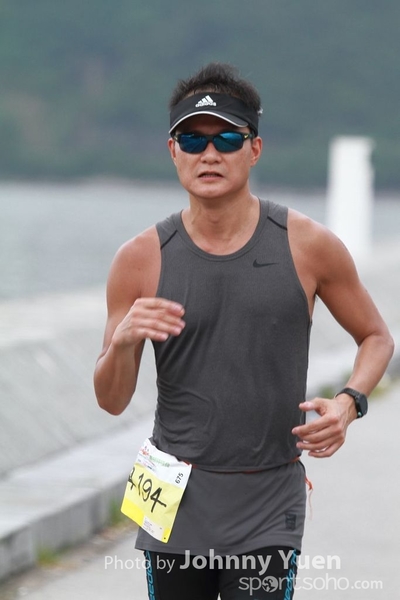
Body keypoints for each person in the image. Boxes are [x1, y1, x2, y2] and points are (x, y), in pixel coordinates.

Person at [93, 63, 394, 599]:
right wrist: (122, 341)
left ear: (254, 149)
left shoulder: (308, 245)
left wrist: (349, 404)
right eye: (193, 139)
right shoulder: (139, 259)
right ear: (173, 151)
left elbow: (377, 337)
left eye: (227, 139)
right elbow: (111, 401)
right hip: (171, 491)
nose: (209, 154)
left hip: (269, 497)